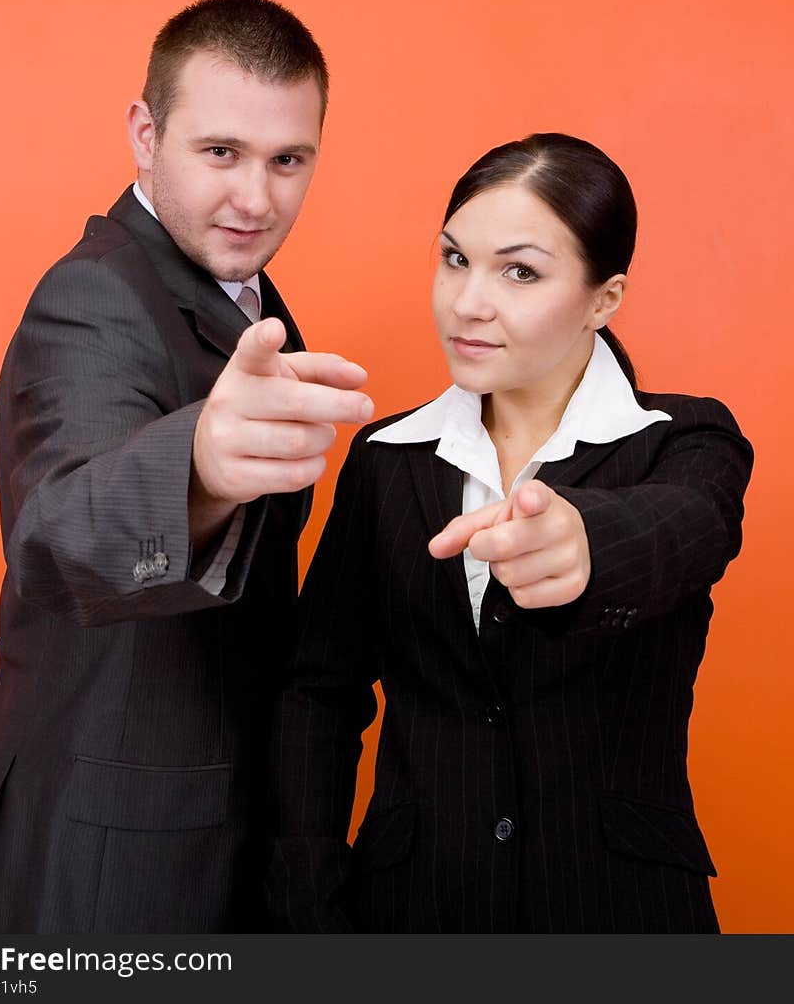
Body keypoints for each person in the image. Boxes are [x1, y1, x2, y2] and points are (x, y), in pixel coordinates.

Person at [0, 0, 374, 935]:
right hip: (104, 870)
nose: (256, 198)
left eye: (287, 160)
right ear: (146, 133)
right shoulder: (93, 295)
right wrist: (198, 469)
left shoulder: (240, 295)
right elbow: (59, 537)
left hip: (204, 843)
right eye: (220, 152)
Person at [266, 132, 754, 934]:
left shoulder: (685, 439)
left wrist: (588, 540)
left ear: (606, 299)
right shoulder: (386, 461)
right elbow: (317, 696)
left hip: (621, 912)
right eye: (456, 259)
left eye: (519, 271)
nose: (468, 302)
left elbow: (689, 526)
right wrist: (309, 910)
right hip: (414, 910)